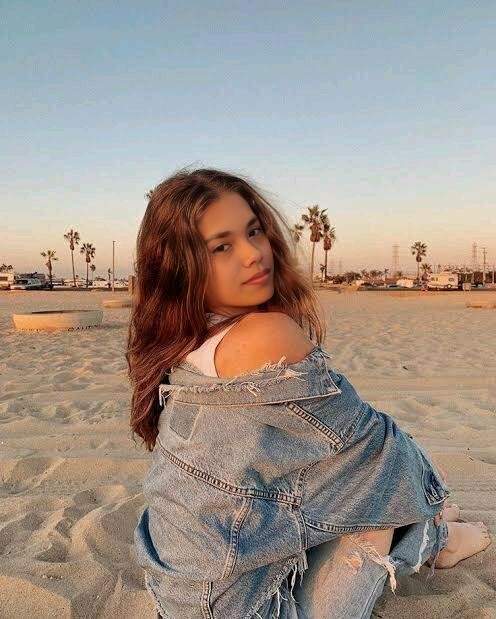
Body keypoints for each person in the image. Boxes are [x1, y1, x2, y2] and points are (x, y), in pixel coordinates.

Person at [127, 168, 490, 619]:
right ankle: (437, 541)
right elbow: (380, 453)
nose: (254, 254)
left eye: (253, 231)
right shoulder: (264, 334)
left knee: (336, 476)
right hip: (250, 609)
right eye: (222, 247)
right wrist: (426, 500)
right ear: (181, 268)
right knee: (380, 479)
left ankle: (429, 529)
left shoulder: (181, 341)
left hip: (181, 598)